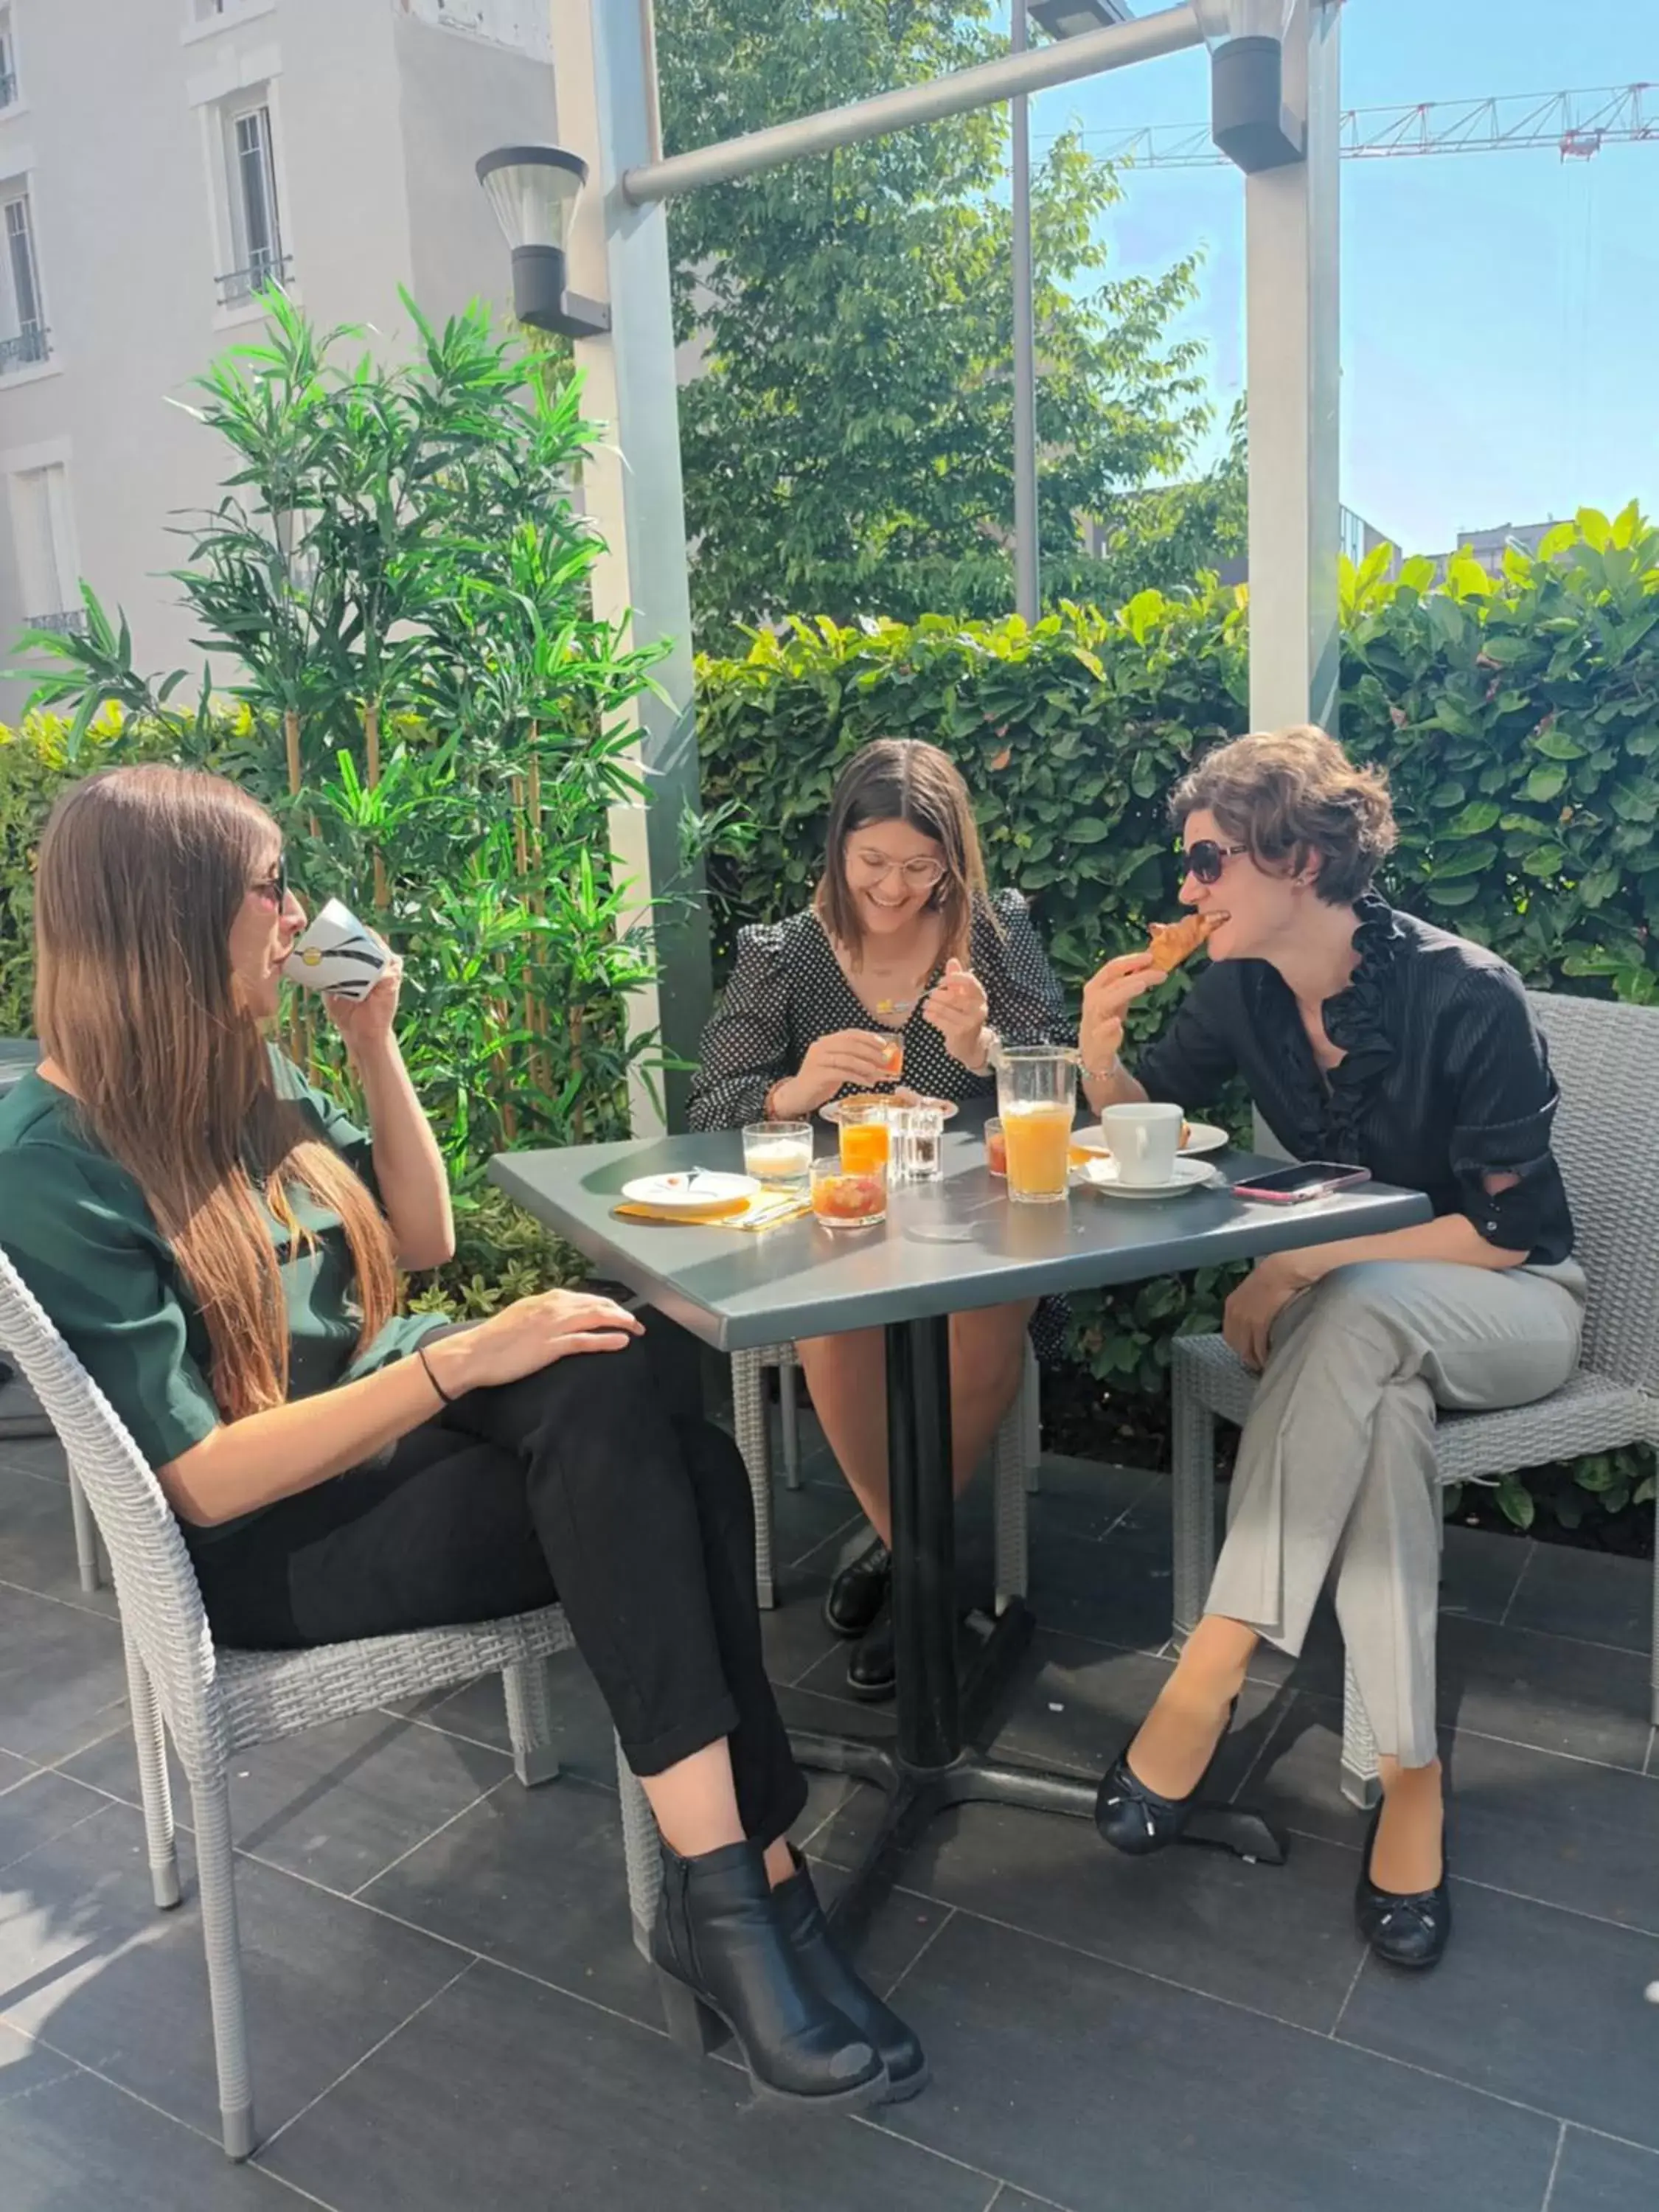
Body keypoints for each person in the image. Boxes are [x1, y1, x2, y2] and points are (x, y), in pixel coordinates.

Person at [0, 763, 927, 2112]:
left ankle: (735, 1888)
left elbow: (421, 1243)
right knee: (659, 1441)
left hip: (386, 1447)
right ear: (169, 911)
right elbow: (199, 1483)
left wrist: (373, 1045)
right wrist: (461, 1366)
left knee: (632, 1349)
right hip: (277, 1537)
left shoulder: (239, 1064)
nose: (293, 912)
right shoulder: (47, 1157)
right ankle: (745, 1891)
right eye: (269, 885)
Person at [1078, 726, 1583, 1969]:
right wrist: (1095, 1049)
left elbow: (1513, 1235)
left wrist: (1302, 1259)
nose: (1187, 892)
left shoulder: (1464, 991)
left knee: (1355, 1316)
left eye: (1206, 863)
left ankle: (1211, 1666)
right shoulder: (1242, 987)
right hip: (1358, 1343)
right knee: (1381, 1414)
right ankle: (1410, 1772)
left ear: (1297, 856)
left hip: (1510, 1305)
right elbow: (1158, 1132)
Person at [689, 738, 1070, 1701]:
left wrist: (978, 1045)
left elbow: (1061, 1073)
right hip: (841, 1213)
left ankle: (906, 1563)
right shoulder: (784, 952)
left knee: (987, 1319)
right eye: (871, 865)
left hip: (979, 1215)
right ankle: (926, 1569)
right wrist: (795, 1089)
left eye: (917, 866)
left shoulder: (995, 932)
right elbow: (707, 1105)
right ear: (837, 849)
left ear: (952, 857)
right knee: (830, 1319)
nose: (894, 889)